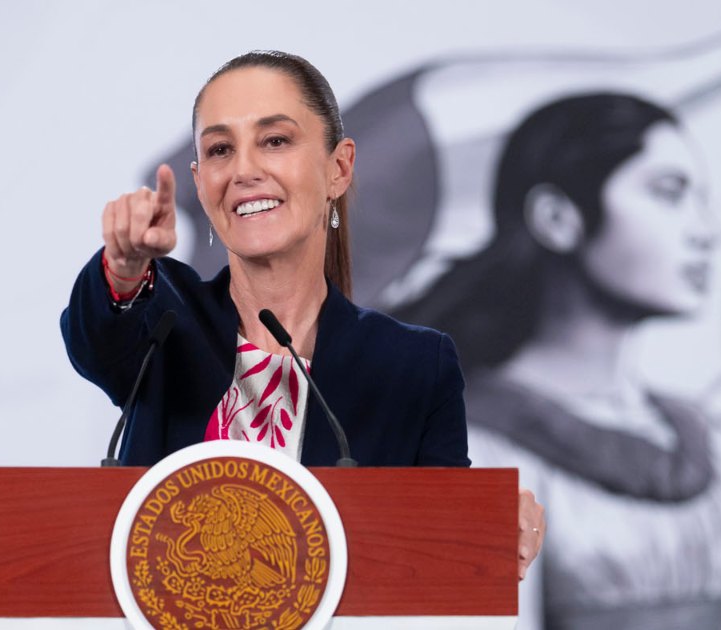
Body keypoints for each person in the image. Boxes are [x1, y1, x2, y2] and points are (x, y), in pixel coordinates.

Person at [60, 50, 544, 579]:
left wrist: (492, 522)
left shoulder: (416, 365)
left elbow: (440, 543)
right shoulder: (165, 319)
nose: (244, 170)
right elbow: (100, 333)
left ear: (338, 169)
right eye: (221, 149)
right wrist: (126, 265)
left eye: (275, 140)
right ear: (200, 183)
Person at [391, 93, 721, 629]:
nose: (706, 229)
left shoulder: (707, 441)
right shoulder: (455, 446)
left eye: (702, 198)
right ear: (558, 218)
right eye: (669, 193)